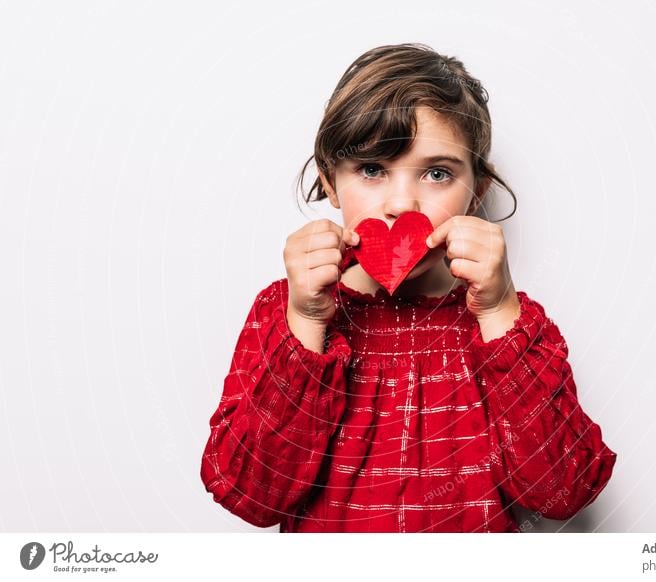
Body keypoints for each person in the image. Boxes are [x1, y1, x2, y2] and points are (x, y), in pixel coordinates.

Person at [200, 43, 617, 532]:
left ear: (477, 190)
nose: (402, 203)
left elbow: (563, 490)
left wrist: (500, 311)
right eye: (372, 169)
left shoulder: (508, 324)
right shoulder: (285, 312)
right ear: (330, 182)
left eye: (437, 173)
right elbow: (251, 494)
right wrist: (307, 321)